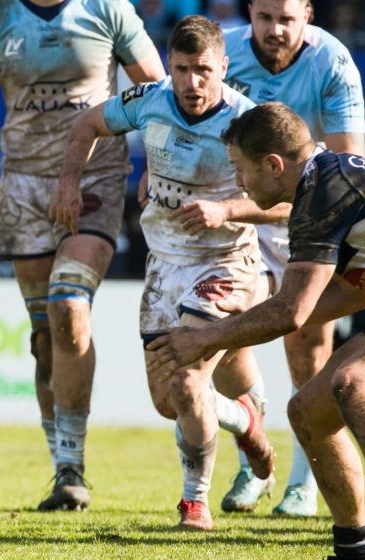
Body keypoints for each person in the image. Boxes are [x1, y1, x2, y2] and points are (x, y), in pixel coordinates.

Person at [51, 16, 275, 530]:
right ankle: (246, 419)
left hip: (225, 265)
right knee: (168, 399)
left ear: (223, 67)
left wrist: (228, 210)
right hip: (165, 265)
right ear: (169, 68)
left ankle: (194, 501)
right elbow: (87, 123)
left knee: (191, 378)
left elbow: (289, 202)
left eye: (203, 70)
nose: (192, 82)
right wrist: (69, 183)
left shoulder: (249, 122)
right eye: (182, 69)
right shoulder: (149, 100)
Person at [0, 0, 165, 511]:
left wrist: (158, 165)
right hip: (24, 185)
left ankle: (73, 467)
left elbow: (158, 89)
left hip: (96, 177)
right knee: (43, 339)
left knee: (69, 308)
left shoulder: (108, 8)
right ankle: (62, 467)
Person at [145, 102, 365, 560]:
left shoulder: (321, 194)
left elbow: (292, 313)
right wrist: (235, 329)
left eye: (239, 170)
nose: (238, 184)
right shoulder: (325, 182)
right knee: (308, 412)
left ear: (273, 165)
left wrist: (208, 336)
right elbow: (348, 293)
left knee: (351, 385)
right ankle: (353, 548)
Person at [210, 0, 365, 515]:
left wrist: (201, 338)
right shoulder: (222, 53)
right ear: (248, 13)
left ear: (308, 14)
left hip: (297, 218)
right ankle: (345, 533)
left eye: (287, 18)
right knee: (296, 392)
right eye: (264, 17)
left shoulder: (334, 63)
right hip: (260, 217)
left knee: (334, 372)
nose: (274, 29)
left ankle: (304, 487)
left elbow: (297, 308)